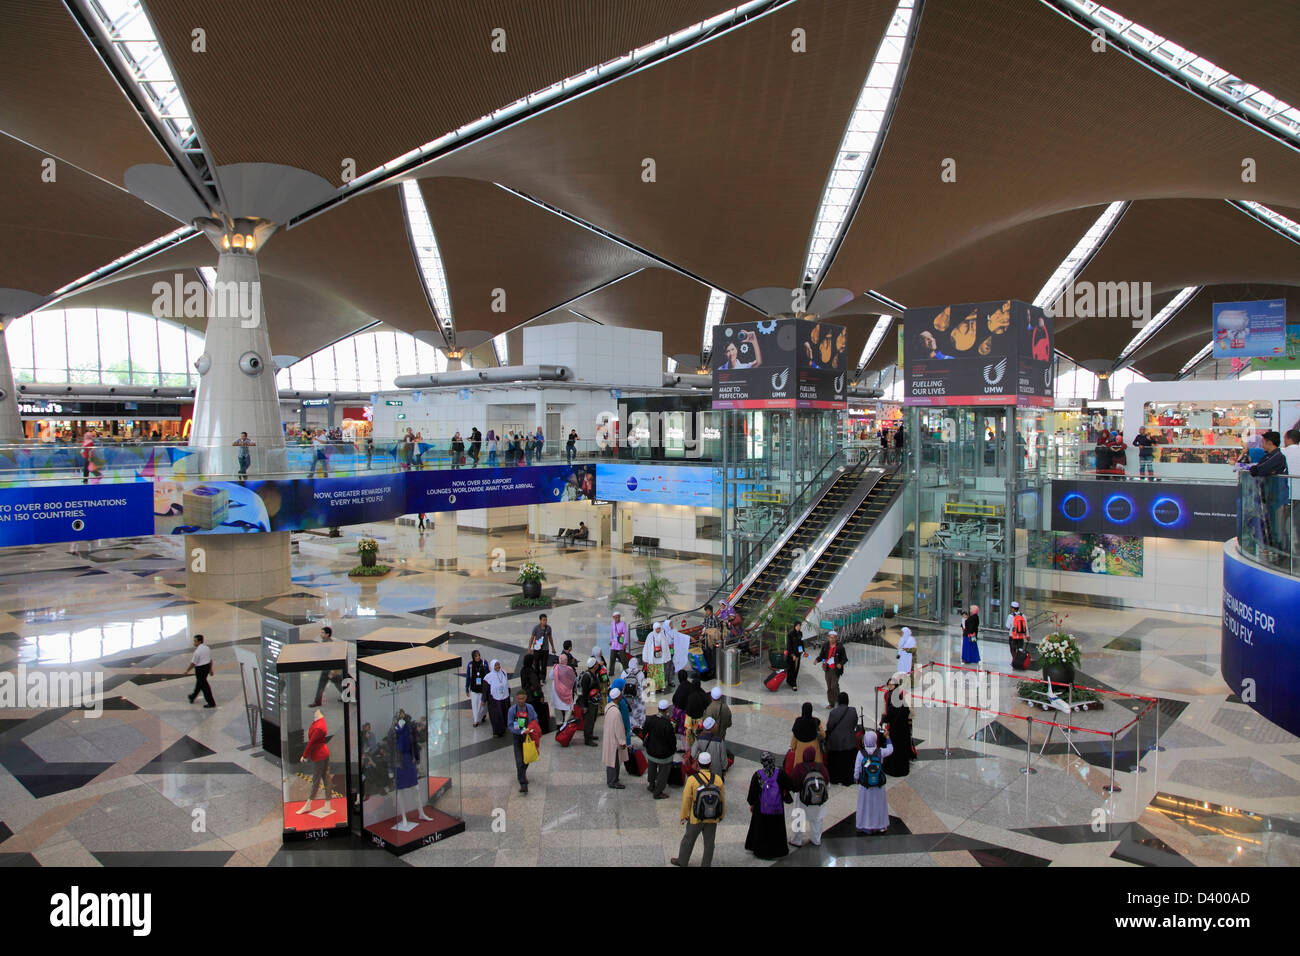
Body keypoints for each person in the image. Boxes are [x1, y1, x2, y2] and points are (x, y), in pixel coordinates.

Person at [672, 750, 724, 867]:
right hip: (712, 818)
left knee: (688, 840)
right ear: (710, 764)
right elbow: (722, 800)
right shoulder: (718, 780)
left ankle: (682, 861)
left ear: (698, 764)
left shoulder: (692, 780)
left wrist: (684, 815)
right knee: (709, 843)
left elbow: (686, 799)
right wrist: (721, 815)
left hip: (696, 817)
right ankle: (706, 864)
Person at [744, 751, 793, 859]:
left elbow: (752, 795)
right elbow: (791, 785)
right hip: (776, 808)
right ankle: (778, 851)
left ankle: (761, 851)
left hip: (761, 809)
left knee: (761, 829)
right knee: (776, 829)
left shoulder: (757, 775)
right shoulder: (780, 773)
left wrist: (752, 804)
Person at [1249, 431, 1289, 552]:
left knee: (1278, 529)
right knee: (1271, 526)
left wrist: (1260, 470)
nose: (1262, 445)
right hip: (1271, 497)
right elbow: (1258, 469)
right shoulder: (1268, 456)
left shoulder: (1277, 457)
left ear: (1270, 443)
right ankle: (1274, 551)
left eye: (1263, 443)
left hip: (1278, 497)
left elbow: (1258, 469)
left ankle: (1281, 554)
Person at [789, 745, 830, 847]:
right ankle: (816, 839)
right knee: (817, 819)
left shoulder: (799, 767)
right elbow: (827, 783)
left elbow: (792, 783)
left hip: (802, 800)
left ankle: (796, 840)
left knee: (799, 818)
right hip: (818, 800)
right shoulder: (821, 767)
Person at [854, 730, 894, 834]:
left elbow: (857, 769)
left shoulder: (861, 753)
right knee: (879, 805)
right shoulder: (880, 751)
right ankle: (880, 826)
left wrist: (856, 778)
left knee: (865, 806)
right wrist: (888, 737)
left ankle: (864, 826)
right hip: (878, 784)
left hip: (865, 785)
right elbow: (891, 749)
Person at [644, 699, 677, 799]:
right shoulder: (668, 724)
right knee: (663, 772)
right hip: (664, 754)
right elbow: (672, 740)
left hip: (651, 751)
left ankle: (651, 785)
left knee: (652, 768)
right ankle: (658, 792)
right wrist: (673, 749)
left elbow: (645, 731)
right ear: (666, 710)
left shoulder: (651, 719)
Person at [506, 690, 537, 794]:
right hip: (517, 738)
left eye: (522, 698)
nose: (520, 701)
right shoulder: (512, 710)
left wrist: (531, 728)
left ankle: (522, 774)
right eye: (518, 699)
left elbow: (535, 719)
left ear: (526, 698)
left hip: (528, 737)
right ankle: (523, 783)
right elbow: (510, 725)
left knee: (526, 759)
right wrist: (519, 731)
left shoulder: (530, 708)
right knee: (519, 761)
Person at [825, 691, 859, 786]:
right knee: (848, 763)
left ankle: (835, 778)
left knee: (836, 762)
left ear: (838, 701)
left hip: (836, 742)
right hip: (849, 741)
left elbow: (829, 726)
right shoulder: (853, 710)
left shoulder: (833, 712)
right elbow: (854, 723)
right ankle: (847, 779)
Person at [881, 681, 913, 777]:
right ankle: (903, 769)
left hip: (895, 733)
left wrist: (883, 717)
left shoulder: (892, 707)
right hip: (904, 732)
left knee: (894, 752)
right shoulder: (905, 706)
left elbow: (887, 718)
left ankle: (893, 770)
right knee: (902, 752)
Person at [309, 625, 343, 707]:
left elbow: (331, 656)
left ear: (327, 634)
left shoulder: (328, 644)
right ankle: (347, 696)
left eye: (323, 632)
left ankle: (317, 702)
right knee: (337, 683)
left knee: (323, 685)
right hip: (330, 668)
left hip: (329, 669)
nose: (321, 634)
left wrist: (333, 670)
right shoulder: (327, 642)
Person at [602, 687, 629, 789]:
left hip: (609, 737)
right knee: (614, 761)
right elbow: (619, 729)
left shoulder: (608, 707)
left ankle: (611, 779)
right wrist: (622, 742)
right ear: (618, 697)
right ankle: (613, 781)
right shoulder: (616, 712)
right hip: (614, 741)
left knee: (610, 760)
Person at [815, 630, 846, 709]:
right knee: (829, 687)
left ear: (836, 638)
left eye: (833, 638)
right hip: (827, 669)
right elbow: (822, 656)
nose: (831, 639)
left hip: (835, 670)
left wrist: (840, 664)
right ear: (828, 638)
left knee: (834, 686)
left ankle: (838, 702)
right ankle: (831, 703)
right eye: (830, 638)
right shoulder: (825, 645)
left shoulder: (840, 647)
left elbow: (845, 658)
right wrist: (817, 660)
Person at [183, 633, 215, 707]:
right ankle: (192, 696)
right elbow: (210, 660)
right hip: (206, 668)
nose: (194, 643)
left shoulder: (197, 652)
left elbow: (193, 663)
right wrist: (210, 669)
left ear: (200, 641)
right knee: (200, 683)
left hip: (200, 670)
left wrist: (187, 670)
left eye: (195, 641)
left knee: (204, 686)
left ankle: (211, 702)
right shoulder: (207, 648)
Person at [577, 658, 601, 746]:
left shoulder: (594, 674)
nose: (598, 664)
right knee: (588, 721)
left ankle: (590, 734)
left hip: (594, 701)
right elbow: (584, 692)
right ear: (594, 666)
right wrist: (585, 706)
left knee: (593, 719)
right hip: (588, 703)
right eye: (596, 663)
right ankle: (587, 739)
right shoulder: (587, 676)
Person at [642, 621, 672, 692]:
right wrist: (645, 658)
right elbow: (646, 647)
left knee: (659, 673)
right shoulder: (650, 636)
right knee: (652, 673)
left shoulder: (662, 635)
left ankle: (659, 687)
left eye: (659, 628)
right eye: (657, 629)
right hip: (652, 658)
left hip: (660, 657)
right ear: (654, 628)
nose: (658, 630)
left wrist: (667, 657)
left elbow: (665, 647)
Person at [484, 659, 511, 737]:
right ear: (492, 666)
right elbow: (486, 689)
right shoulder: (488, 677)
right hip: (495, 700)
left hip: (505, 698)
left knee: (505, 713)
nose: (497, 666)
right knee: (497, 715)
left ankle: (505, 727)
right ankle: (498, 731)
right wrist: (484, 700)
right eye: (495, 665)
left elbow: (507, 684)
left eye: (498, 665)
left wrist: (508, 692)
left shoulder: (503, 673)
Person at [550, 653, 576, 728]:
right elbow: (573, 679)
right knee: (568, 706)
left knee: (557, 707)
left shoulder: (555, 667)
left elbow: (551, 677)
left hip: (556, 691)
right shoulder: (569, 669)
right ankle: (566, 721)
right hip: (566, 691)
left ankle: (559, 722)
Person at [466, 649, 489, 727]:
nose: (478, 657)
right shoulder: (470, 665)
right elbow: (468, 677)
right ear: (473, 657)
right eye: (476, 656)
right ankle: (476, 720)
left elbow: (488, 675)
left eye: (479, 655)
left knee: (482, 705)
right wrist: (467, 688)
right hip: (474, 688)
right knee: (475, 706)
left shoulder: (484, 663)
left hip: (482, 688)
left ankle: (482, 715)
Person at [684, 675, 709, 746]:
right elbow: (706, 705)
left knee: (689, 733)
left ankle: (692, 747)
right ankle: (699, 747)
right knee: (698, 733)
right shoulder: (703, 693)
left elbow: (687, 705)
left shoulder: (690, 693)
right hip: (699, 718)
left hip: (689, 718)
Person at [623, 658, 646, 731]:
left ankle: (629, 727)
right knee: (639, 712)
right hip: (637, 696)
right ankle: (639, 727)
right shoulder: (640, 673)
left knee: (629, 712)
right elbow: (642, 684)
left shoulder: (624, 672)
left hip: (627, 696)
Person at [529, 614, 554, 680]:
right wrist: (529, 648)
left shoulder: (548, 628)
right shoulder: (536, 628)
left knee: (544, 665)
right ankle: (537, 677)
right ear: (540, 620)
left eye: (546, 620)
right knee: (536, 664)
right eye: (543, 620)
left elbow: (550, 638)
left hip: (545, 649)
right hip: (537, 649)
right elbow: (532, 638)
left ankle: (543, 678)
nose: (545, 621)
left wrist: (553, 647)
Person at [700, 604, 721, 677]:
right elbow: (705, 626)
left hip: (713, 639)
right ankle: (709, 668)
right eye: (706, 611)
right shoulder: (706, 617)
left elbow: (718, 628)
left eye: (707, 611)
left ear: (710, 611)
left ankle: (714, 670)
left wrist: (711, 633)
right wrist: (702, 634)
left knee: (713, 654)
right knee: (707, 652)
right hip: (707, 638)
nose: (706, 612)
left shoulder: (715, 618)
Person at [609, 611, 630, 675]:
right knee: (612, 658)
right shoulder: (612, 623)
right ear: (613, 617)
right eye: (616, 617)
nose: (617, 619)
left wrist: (625, 643)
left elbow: (626, 634)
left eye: (618, 617)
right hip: (614, 644)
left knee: (623, 659)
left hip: (621, 643)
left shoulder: (623, 623)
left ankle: (627, 672)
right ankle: (611, 672)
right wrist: (611, 641)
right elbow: (612, 633)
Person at [785, 622, 804, 692]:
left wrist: (802, 651)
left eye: (800, 626)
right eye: (798, 626)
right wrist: (792, 654)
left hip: (798, 654)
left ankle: (794, 683)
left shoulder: (800, 633)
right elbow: (789, 646)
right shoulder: (790, 634)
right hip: (791, 655)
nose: (799, 627)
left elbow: (801, 643)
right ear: (795, 626)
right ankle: (789, 681)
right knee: (791, 668)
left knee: (796, 669)